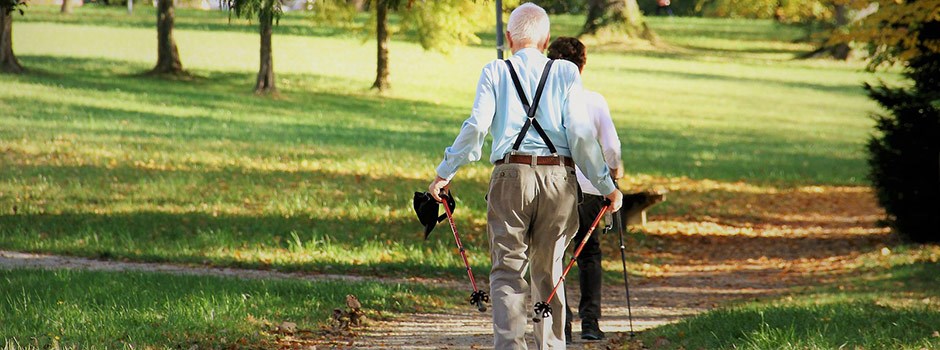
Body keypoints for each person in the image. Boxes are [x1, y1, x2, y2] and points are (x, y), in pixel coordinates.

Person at [427, 3, 623, 349]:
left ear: (508, 38)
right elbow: (579, 135)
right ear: (546, 40)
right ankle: (549, 346)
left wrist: (446, 172)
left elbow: (476, 128)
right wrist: (607, 187)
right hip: (558, 179)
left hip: (509, 176)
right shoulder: (565, 73)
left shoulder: (494, 71)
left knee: (506, 270)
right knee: (548, 271)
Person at [546, 37, 623, 343]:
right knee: (589, 253)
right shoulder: (594, 100)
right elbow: (611, 147)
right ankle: (590, 322)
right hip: (591, 186)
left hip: (555, 184)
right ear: (583, 65)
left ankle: (560, 324)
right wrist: (614, 173)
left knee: (555, 253)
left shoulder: (545, 101)